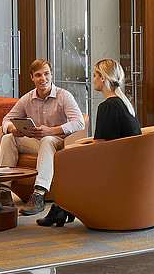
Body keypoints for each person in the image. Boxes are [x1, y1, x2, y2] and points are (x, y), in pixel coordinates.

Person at [38, 58, 141, 227]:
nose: (92, 80)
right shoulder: (124, 103)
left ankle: (61, 209)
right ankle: (62, 209)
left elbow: (99, 147)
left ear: (103, 78)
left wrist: (76, 153)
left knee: (66, 162)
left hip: (115, 168)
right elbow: (108, 142)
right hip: (126, 163)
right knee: (70, 158)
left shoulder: (108, 107)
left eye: (94, 76)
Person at [0, 59, 85, 216]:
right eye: (38, 75)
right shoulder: (26, 98)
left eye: (46, 74)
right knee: (8, 138)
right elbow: (6, 119)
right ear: (32, 77)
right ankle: (3, 191)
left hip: (59, 142)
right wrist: (11, 128)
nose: (43, 78)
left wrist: (51, 131)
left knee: (47, 139)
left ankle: (39, 194)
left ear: (51, 75)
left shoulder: (64, 96)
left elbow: (79, 123)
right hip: (37, 141)